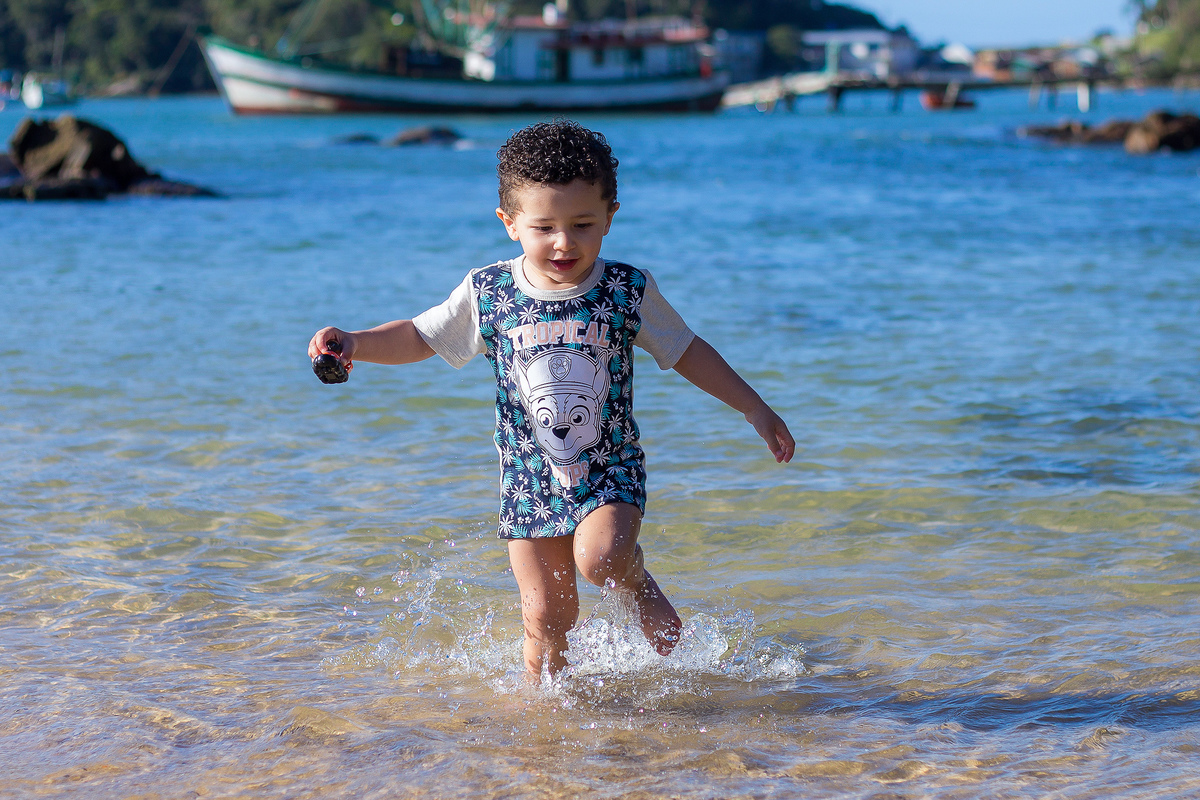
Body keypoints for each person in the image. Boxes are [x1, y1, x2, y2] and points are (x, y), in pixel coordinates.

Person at [308, 120, 794, 679]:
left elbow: (686, 350)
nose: (565, 242)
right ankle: (544, 723)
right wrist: (356, 344)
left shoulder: (624, 291)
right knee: (546, 616)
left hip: (607, 466)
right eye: (545, 227)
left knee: (601, 561)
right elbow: (421, 336)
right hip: (528, 475)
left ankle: (634, 578)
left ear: (611, 216)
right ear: (510, 224)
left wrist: (754, 407)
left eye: (583, 224)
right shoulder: (489, 291)